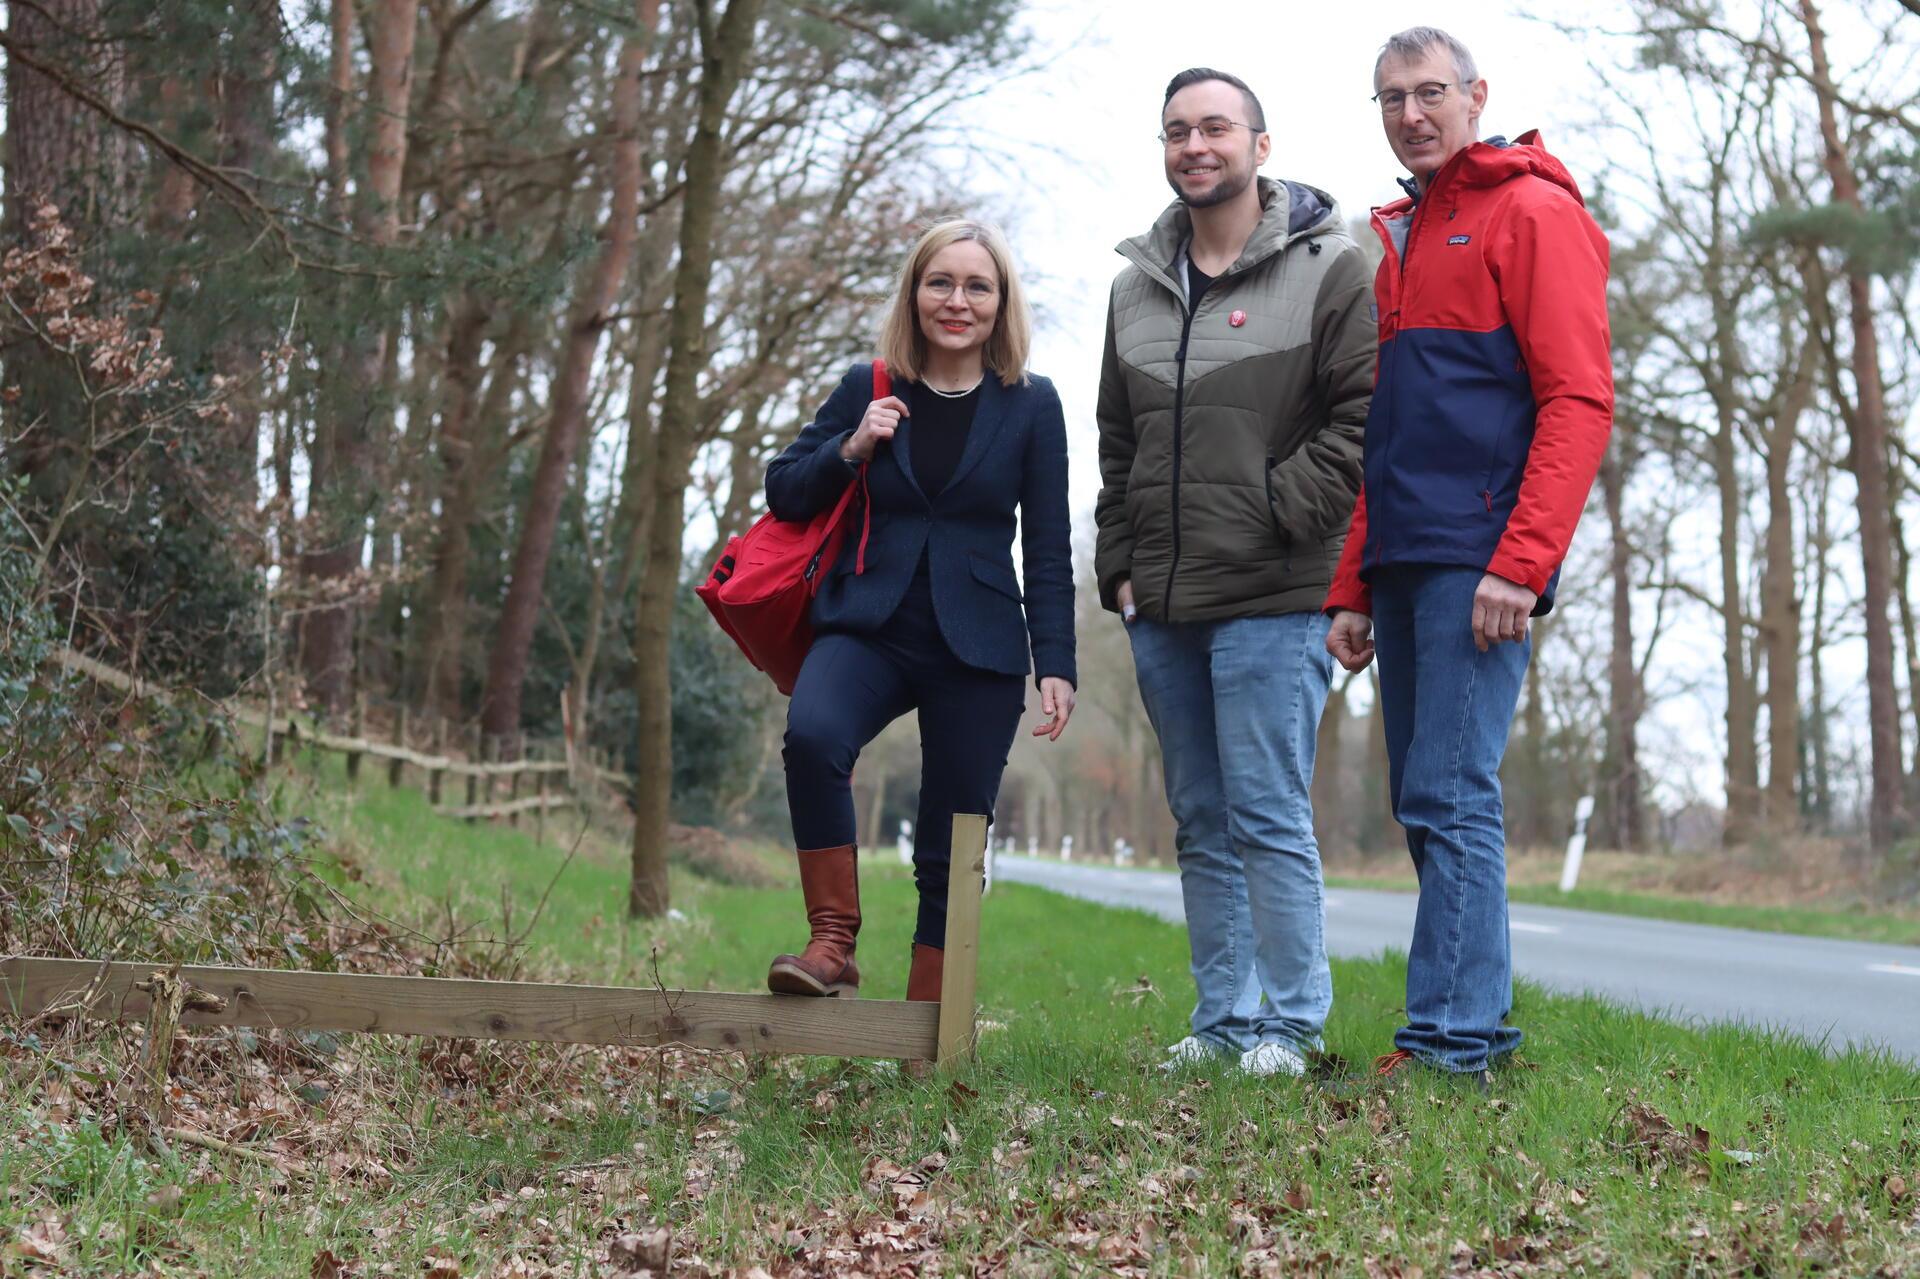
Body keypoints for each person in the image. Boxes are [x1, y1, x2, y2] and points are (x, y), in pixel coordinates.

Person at [1323, 27, 1613, 1084]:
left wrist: (1520, 563)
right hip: (1405, 560)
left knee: (1452, 793)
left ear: (1476, 95)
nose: (1412, 113)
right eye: (1392, 96)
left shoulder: (1531, 211)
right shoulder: (1402, 236)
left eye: (1431, 92)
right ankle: (1470, 1030)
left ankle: (1448, 1046)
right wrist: (1352, 582)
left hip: (1478, 560)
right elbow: (1385, 434)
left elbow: (1578, 401)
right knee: (1429, 797)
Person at [1093, 68, 1375, 1077]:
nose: (1195, 144)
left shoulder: (1331, 268)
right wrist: (1119, 568)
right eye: (1177, 130)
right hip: (1163, 605)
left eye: (1216, 126)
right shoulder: (1135, 287)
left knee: (1265, 811)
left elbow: (1359, 421)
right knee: (1200, 819)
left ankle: (1291, 1025)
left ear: (1261, 142)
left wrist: (1271, 518)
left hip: (1273, 594)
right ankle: (1224, 1022)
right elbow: (1117, 446)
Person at [764, 219, 1076, 1004]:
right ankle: (833, 943)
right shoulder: (867, 386)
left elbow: (1045, 543)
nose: (958, 301)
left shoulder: (1032, 404)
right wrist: (851, 449)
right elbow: (785, 489)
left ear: (1000, 303)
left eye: (978, 286)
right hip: (870, 622)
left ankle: (929, 1025)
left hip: (979, 645)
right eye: (941, 282)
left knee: (953, 833)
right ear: (915, 292)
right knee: (813, 734)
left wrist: (1057, 663)